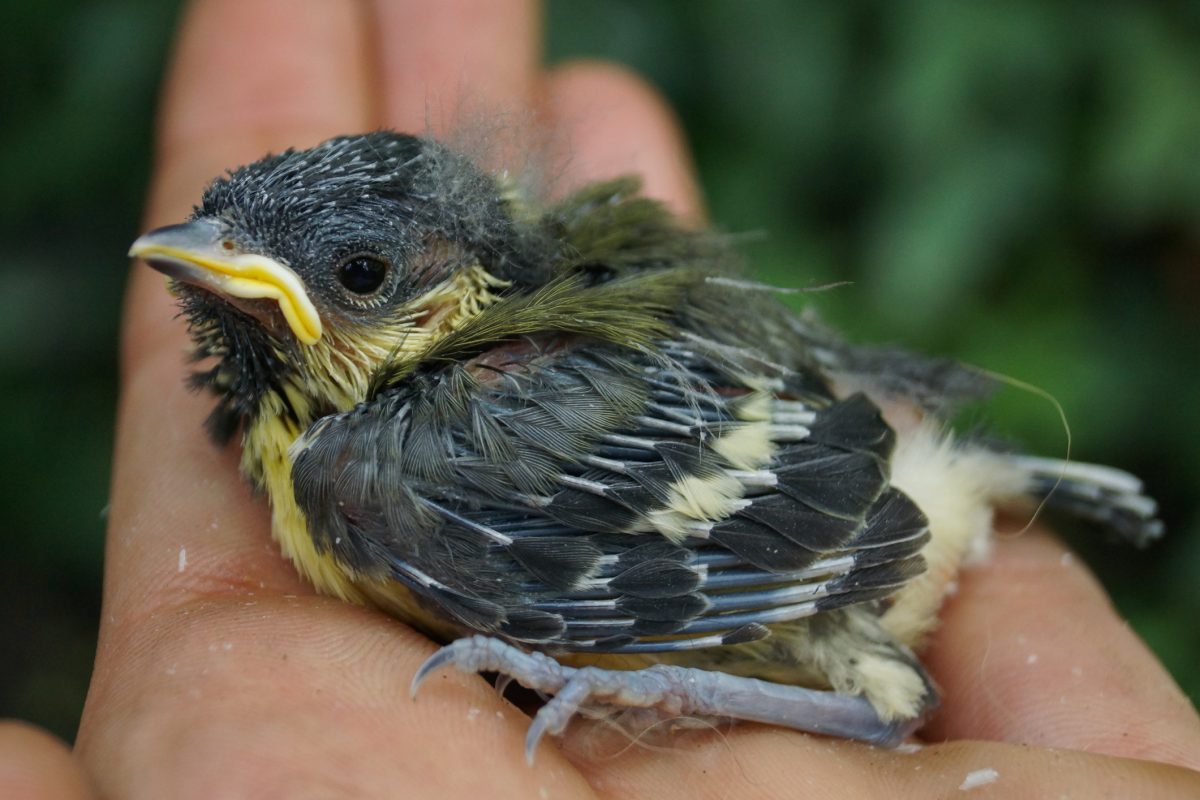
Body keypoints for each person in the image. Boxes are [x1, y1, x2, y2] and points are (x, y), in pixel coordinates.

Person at [3, 2, 1198, 796]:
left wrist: (656, 678)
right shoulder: (322, 426)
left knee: (880, 699)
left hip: (849, 511)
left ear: (456, 293)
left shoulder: (395, 466)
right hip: (807, 437)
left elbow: (815, 538)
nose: (221, 269)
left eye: (357, 278)